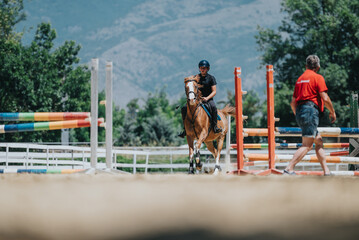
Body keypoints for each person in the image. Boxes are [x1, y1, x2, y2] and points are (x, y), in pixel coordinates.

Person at [283, 55, 336, 176]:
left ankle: (326, 171)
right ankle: (288, 168)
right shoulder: (318, 77)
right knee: (307, 145)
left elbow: (293, 103)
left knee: (319, 141)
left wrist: (299, 115)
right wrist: (332, 111)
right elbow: (325, 98)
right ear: (318, 67)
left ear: (306, 66)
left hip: (301, 111)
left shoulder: (300, 79)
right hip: (310, 111)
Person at [178, 60, 222, 138]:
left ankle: (215, 127)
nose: (202, 69)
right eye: (201, 68)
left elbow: (214, 91)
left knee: (214, 107)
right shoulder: (195, 78)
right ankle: (185, 129)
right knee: (184, 108)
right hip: (196, 99)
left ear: (208, 69)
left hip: (208, 99)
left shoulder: (211, 78)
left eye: (204, 68)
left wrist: (207, 98)